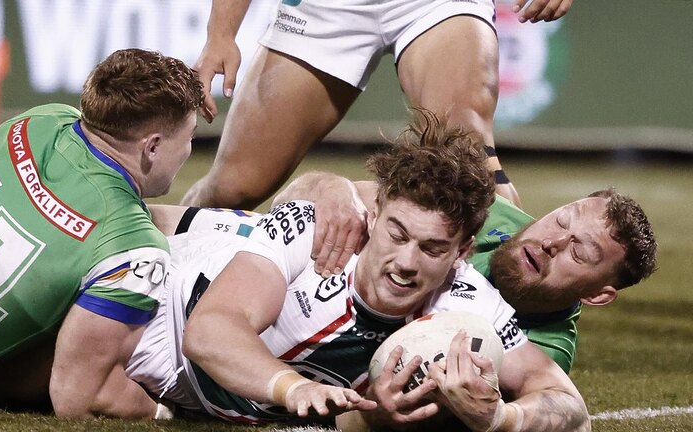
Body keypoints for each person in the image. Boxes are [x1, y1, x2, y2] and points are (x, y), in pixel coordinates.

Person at [120, 111, 590, 431]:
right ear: (375, 212)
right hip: (152, 311)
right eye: (398, 234)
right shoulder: (314, 234)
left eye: (431, 248)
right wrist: (295, 388)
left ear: (463, 251)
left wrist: (499, 419)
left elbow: (571, 408)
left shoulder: (468, 302)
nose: (405, 263)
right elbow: (209, 332)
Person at [0, 48, 204, 418]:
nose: (188, 149)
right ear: (152, 145)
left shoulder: (43, 119)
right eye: (189, 136)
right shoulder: (132, 249)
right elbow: (80, 397)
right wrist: (168, 412)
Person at [180, 0, 574, 210]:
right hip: (325, 9)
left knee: (467, 157)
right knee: (235, 188)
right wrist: (220, 35)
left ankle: (518, 322)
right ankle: (159, 262)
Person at [272, 166, 658, 374]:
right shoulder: (487, 212)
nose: (551, 242)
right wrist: (330, 189)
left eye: (580, 251)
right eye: (561, 221)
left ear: (597, 295)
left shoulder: (541, 352)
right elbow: (293, 194)